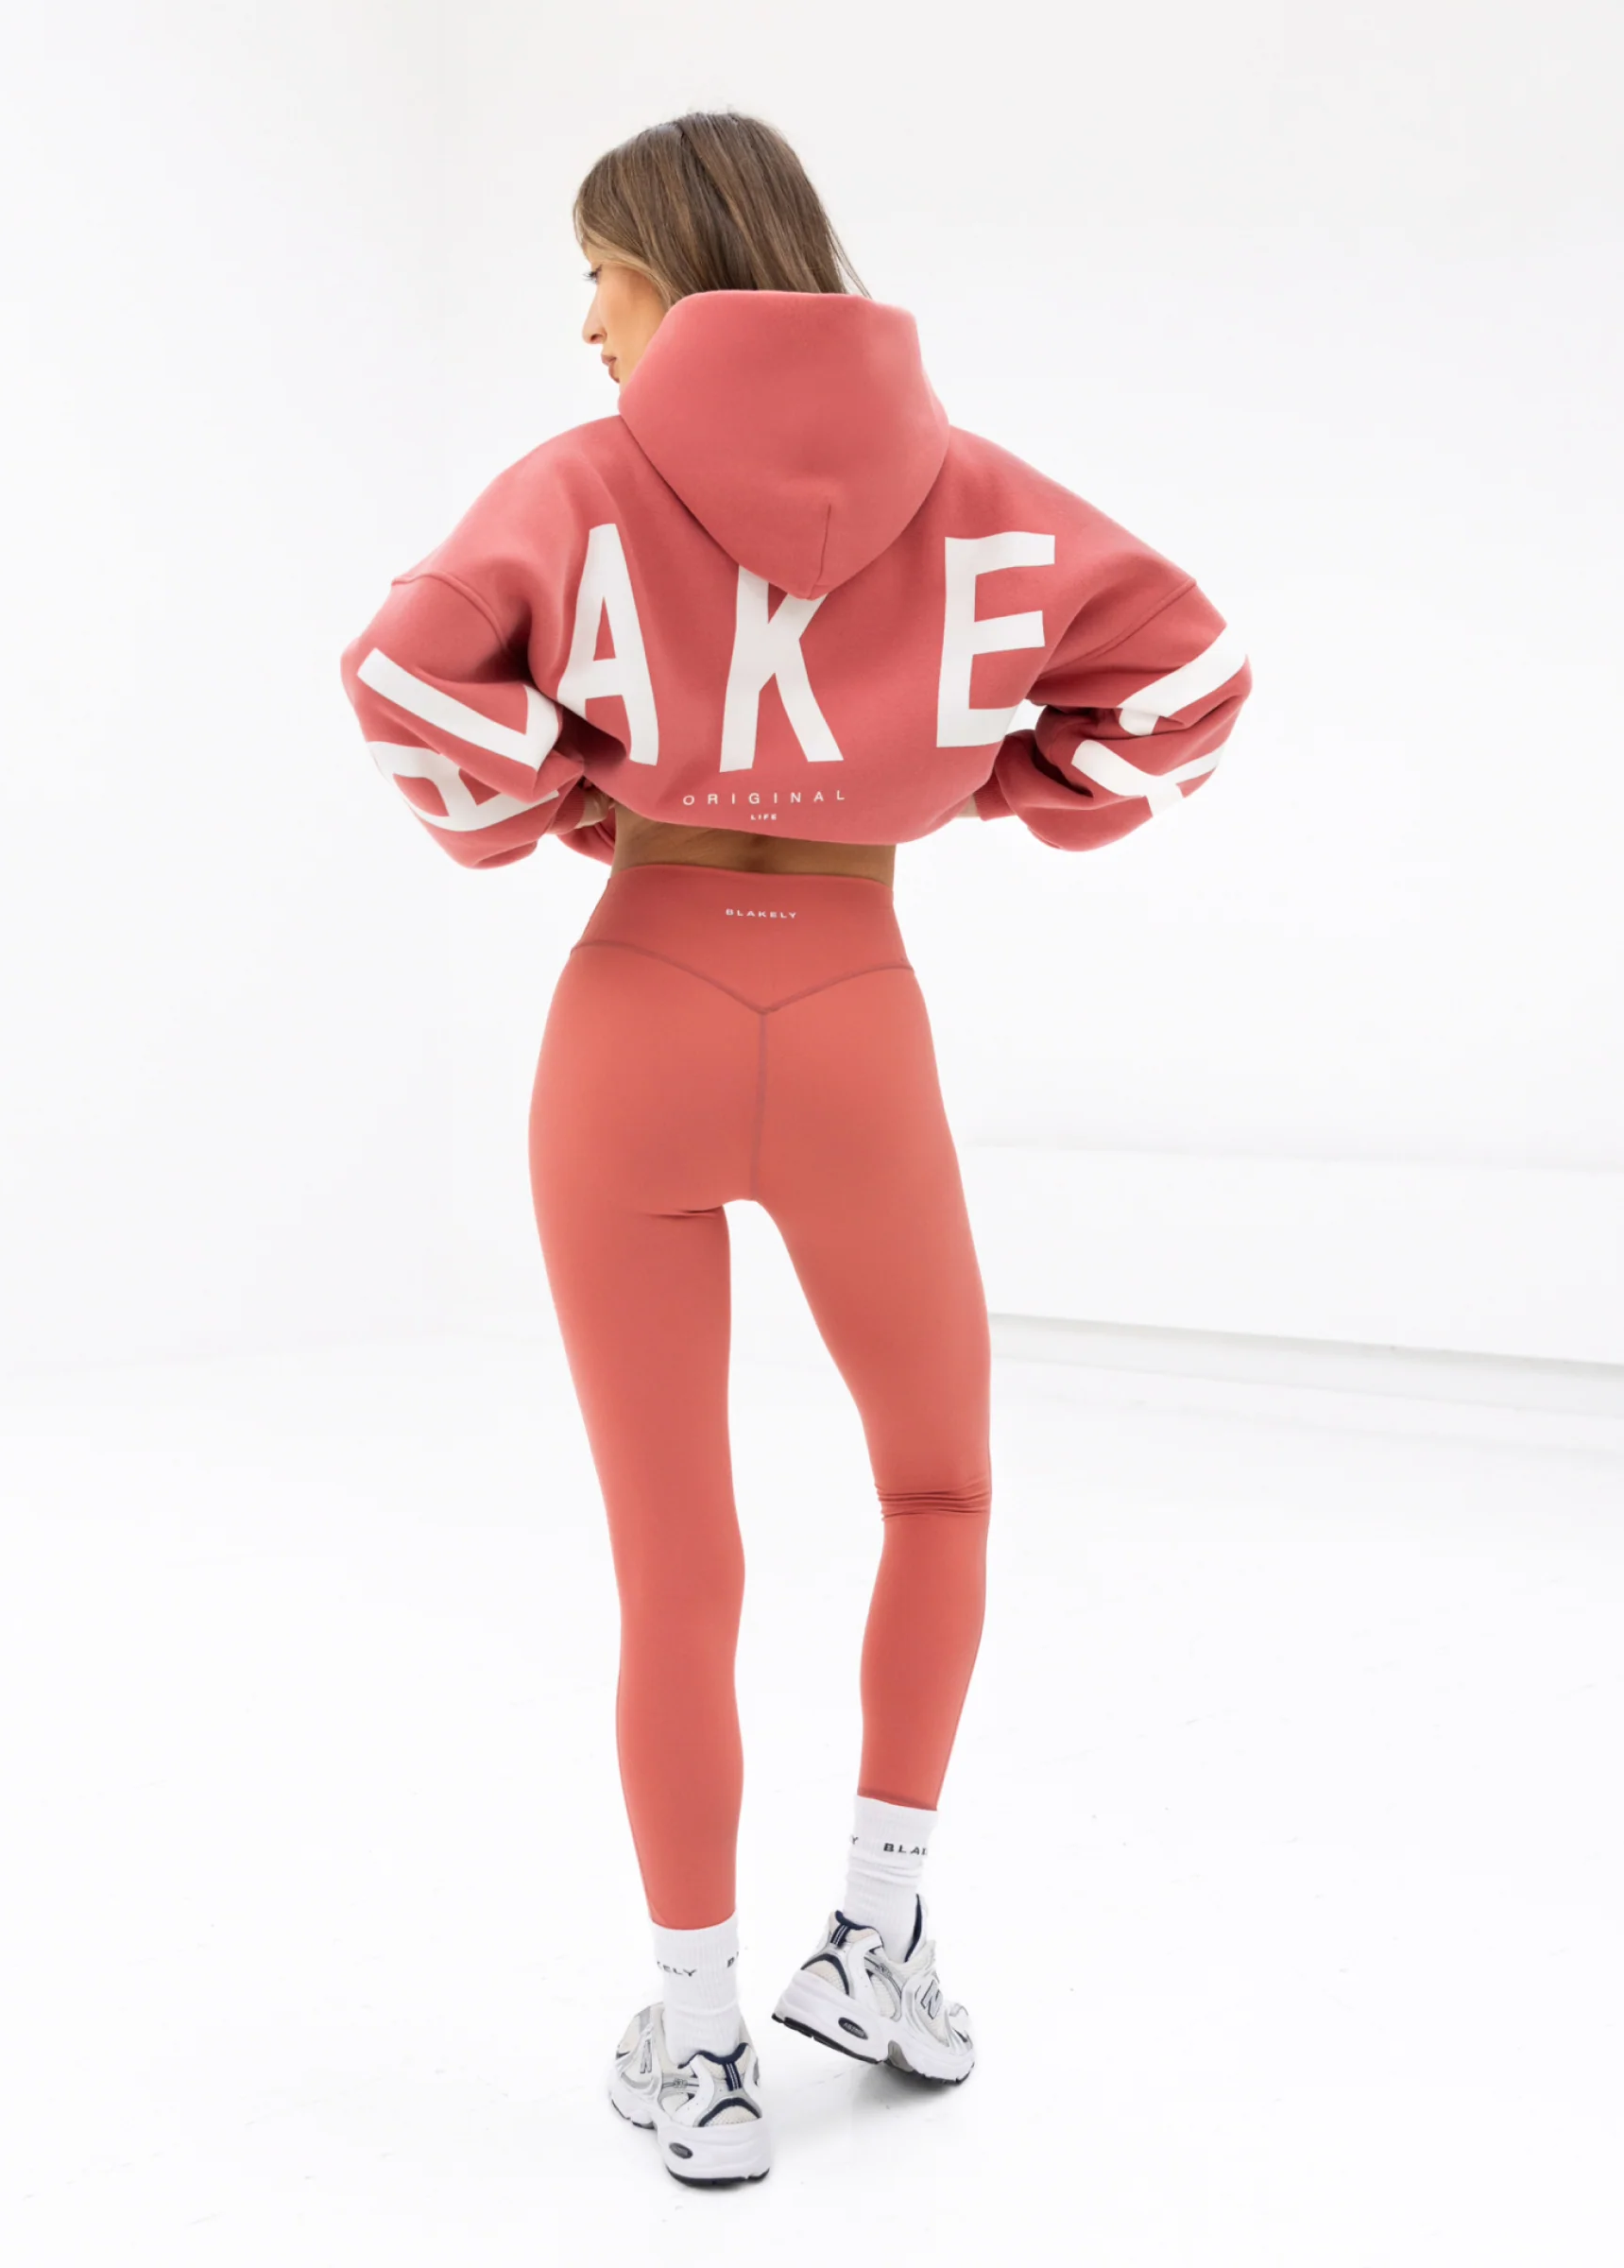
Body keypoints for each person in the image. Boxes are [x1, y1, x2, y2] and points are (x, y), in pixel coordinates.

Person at [339, 110, 1252, 2188]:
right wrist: (984, 774)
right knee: (940, 1486)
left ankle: (700, 2045)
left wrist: (574, 793)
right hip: (852, 1013)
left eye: (598, 273)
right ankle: (878, 1942)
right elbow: (1192, 677)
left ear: (671, 266)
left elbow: (403, 673)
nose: (585, 323)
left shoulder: (582, 485)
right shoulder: (976, 493)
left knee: (677, 1562)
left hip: (637, 1010)